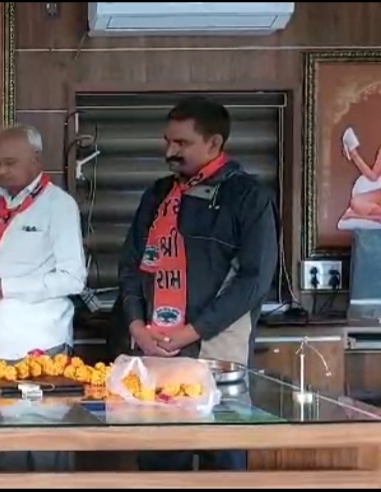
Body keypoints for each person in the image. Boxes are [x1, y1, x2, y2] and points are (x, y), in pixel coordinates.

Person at [118, 96, 278, 471]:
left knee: (222, 458)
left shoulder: (248, 197)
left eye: (182, 143)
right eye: (167, 141)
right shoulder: (157, 194)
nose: (170, 152)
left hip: (216, 352)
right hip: (157, 348)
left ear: (214, 143)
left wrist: (191, 332)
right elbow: (130, 266)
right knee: (160, 462)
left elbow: (253, 281)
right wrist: (136, 326)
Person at [0, 125, 87, 472]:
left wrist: (2, 288)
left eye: (10, 163)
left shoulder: (59, 205)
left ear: (36, 160)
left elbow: (73, 279)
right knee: (7, 443)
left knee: (46, 444)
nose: (0, 171)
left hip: (43, 343)